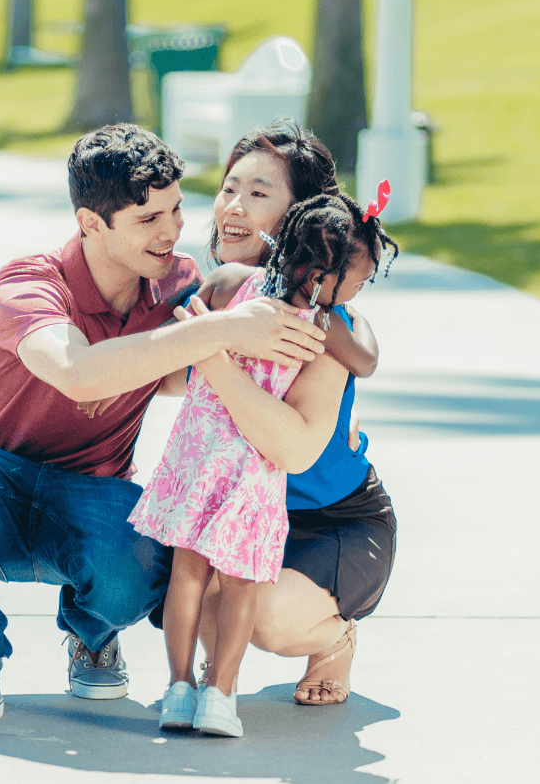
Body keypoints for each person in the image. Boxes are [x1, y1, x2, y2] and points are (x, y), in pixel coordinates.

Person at [0, 124, 331, 722]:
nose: (171, 230)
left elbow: (239, 355)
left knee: (155, 548)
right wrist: (220, 330)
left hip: (94, 501)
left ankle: (92, 632)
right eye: (147, 218)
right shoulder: (27, 283)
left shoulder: (181, 286)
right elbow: (78, 373)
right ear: (91, 223)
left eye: (177, 209)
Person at [130, 192, 391, 737]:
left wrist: (210, 345)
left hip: (220, 467)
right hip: (250, 474)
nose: (359, 293)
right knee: (234, 585)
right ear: (320, 272)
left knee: (191, 577)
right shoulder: (316, 325)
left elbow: (189, 332)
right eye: (359, 281)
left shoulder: (239, 289)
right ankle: (217, 698)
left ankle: (181, 691)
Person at [194, 121, 401, 708]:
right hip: (244, 509)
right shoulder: (222, 290)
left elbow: (359, 359)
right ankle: (207, 679)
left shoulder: (324, 317)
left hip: (331, 518)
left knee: (266, 614)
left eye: (259, 193)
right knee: (164, 567)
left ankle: (334, 638)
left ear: (302, 217)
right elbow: (154, 373)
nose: (234, 207)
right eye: (229, 187)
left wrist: (212, 357)